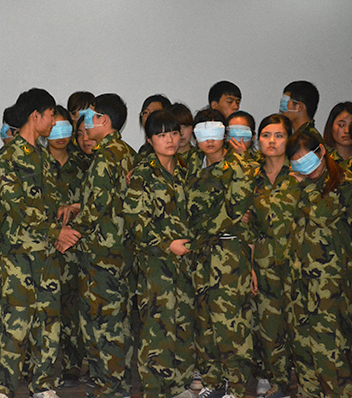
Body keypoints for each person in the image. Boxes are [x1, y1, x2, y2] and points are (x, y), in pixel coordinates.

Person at [0, 88, 80, 398]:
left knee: (48, 323)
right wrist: (55, 232)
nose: (54, 121)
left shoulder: (43, 158)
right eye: (51, 115)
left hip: (47, 254)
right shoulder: (7, 158)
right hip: (18, 254)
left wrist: (65, 212)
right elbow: (18, 206)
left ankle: (43, 383)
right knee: (15, 321)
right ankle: (3, 386)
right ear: (35, 115)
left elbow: (47, 203)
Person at [68, 93, 136, 398]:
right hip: (121, 250)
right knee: (118, 320)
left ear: (103, 120)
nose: (85, 123)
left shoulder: (105, 156)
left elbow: (96, 206)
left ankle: (109, 387)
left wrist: (71, 233)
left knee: (102, 322)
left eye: (89, 116)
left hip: (101, 252)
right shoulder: (127, 152)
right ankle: (118, 384)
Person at [123, 110, 194, 398]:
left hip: (187, 263)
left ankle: (179, 386)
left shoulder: (187, 171)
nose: (170, 140)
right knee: (158, 327)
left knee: (184, 325)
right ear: (150, 140)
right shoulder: (143, 174)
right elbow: (135, 221)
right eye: (162, 135)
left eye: (174, 133)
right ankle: (154, 389)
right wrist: (167, 244)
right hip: (157, 264)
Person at [186, 108, 255, 397]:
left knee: (230, 323)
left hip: (227, 253)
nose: (210, 140)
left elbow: (235, 208)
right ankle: (213, 383)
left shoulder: (238, 166)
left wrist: (200, 230)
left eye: (215, 132)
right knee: (203, 322)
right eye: (203, 133)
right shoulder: (191, 164)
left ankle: (236, 388)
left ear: (224, 134)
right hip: (199, 255)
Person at [285, 129, 352, 397]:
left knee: (329, 350)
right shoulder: (296, 182)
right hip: (299, 276)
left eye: (307, 160)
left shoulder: (343, 180)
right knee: (303, 349)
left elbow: (323, 214)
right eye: (297, 163)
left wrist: (306, 185)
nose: (305, 168)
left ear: (322, 150)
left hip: (329, 281)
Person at [249, 114, 297, 398]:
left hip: (297, 261)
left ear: (289, 139)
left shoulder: (300, 174)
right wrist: (251, 265)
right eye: (266, 135)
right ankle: (274, 378)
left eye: (279, 135)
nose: (272, 141)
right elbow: (248, 225)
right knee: (268, 324)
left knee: (298, 324)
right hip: (264, 260)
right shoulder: (251, 177)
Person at [46, 106, 87, 388]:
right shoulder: (37, 162)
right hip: (46, 245)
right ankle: (41, 365)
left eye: (65, 128)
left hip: (76, 245)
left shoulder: (83, 163)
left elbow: (96, 200)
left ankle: (73, 364)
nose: (60, 135)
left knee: (73, 306)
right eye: (54, 128)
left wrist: (77, 207)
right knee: (46, 309)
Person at [137, 94, 172, 158]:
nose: (149, 116)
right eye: (146, 112)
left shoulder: (171, 147)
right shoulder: (143, 150)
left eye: (155, 112)